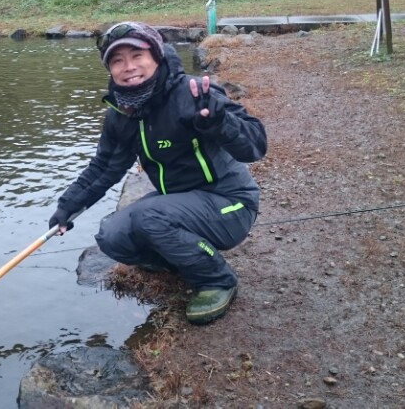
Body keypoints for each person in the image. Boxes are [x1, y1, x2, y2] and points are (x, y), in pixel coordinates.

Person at [49, 21, 267, 325]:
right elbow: (104, 167)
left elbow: (255, 146)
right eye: (117, 60)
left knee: (149, 216)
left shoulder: (193, 92)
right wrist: (67, 207)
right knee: (111, 236)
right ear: (109, 69)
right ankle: (184, 259)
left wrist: (220, 125)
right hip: (178, 205)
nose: (128, 67)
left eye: (137, 55)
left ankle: (217, 280)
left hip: (231, 204)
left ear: (156, 56)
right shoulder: (122, 113)